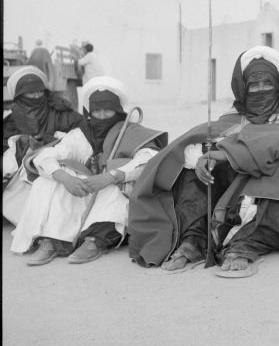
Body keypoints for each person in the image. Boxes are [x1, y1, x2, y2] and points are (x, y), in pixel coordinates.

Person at [128, 45, 279, 277]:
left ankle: (248, 244)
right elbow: (214, 138)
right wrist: (204, 157)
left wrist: (229, 153)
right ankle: (195, 238)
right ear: (243, 88)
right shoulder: (235, 114)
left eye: (267, 84)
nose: (261, 90)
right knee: (193, 162)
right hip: (236, 186)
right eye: (253, 85)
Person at [10, 76, 168, 266]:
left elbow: (148, 158)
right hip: (86, 193)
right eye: (96, 111)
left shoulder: (131, 131)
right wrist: (64, 177)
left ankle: (95, 241)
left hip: (113, 192)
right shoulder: (83, 133)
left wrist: (111, 176)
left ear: (118, 110)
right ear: (89, 111)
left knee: (118, 187)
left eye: (107, 110)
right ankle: (53, 241)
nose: (101, 116)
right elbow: (44, 156)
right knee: (47, 180)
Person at [3, 66, 84, 225]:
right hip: (21, 172)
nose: (36, 96)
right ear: (20, 95)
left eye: (40, 92)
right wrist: (22, 146)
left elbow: (81, 135)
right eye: (30, 93)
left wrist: (48, 142)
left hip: (56, 167)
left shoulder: (61, 113)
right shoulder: (11, 120)